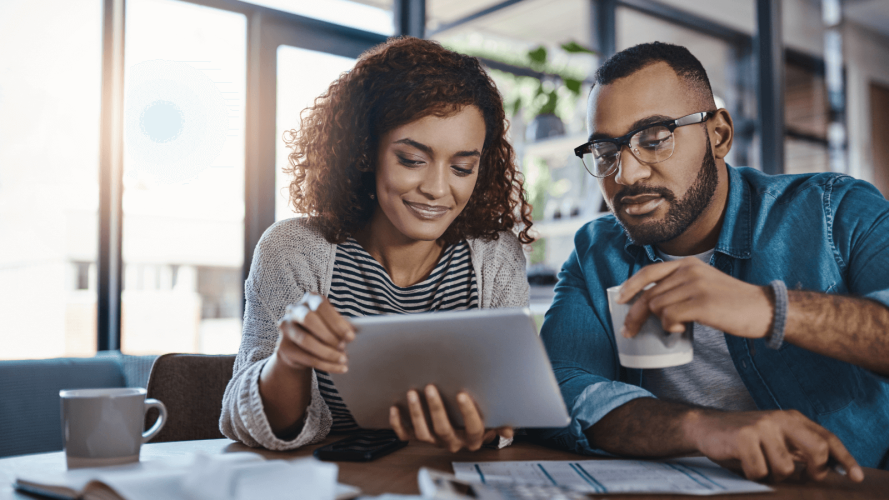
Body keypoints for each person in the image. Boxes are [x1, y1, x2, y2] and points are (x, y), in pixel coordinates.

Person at [537, 41, 889, 482]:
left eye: (654, 139)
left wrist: (767, 308)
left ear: (718, 134)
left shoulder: (836, 210)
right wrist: (703, 428)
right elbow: (559, 389)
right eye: (607, 152)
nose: (626, 175)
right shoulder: (595, 252)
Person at [219, 37, 533, 453]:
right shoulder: (292, 250)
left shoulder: (496, 257)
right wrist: (289, 362)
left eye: (462, 167)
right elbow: (250, 424)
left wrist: (492, 425)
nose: (438, 189)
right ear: (366, 150)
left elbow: (510, 409)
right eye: (412, 160)